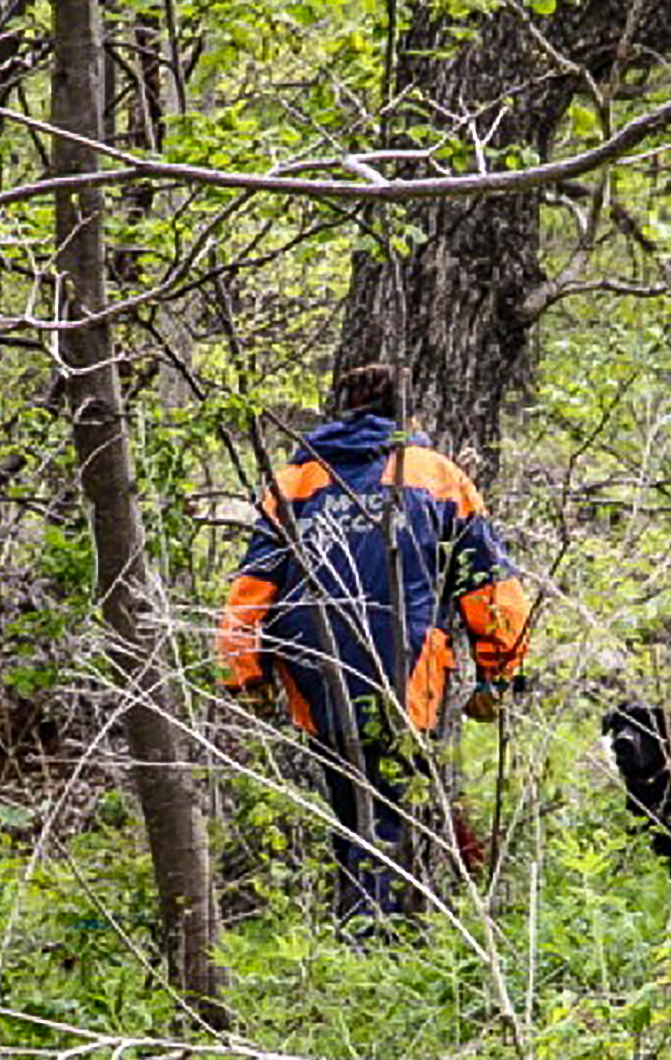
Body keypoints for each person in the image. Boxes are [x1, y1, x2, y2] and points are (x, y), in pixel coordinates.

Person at [216, 365, 532, 923]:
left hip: (312, 670)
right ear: (405, 412)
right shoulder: (435, 476)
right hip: (404, 670)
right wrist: (498, 673)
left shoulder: (293, 483)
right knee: (390, 808)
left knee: (350, 807)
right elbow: (490, 584)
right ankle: (373, 938)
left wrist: (246, 675)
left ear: (342, 407)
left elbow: (251, 590)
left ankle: (367, 929)